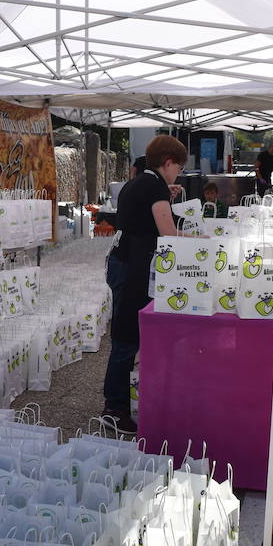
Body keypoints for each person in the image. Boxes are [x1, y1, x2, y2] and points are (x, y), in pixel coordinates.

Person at [102, 135, 190, 433]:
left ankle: (119, 403)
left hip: (124, 261)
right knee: (126, 339)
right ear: (168, 163)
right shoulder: (153, 186)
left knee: (126, 336)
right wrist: (202, 242)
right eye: (178, 167)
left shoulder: (143, 181)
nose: (178, 173)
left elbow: (146, 218)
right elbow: (168, 233)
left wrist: (167, 196)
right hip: (131, 267)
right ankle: (114, 408)